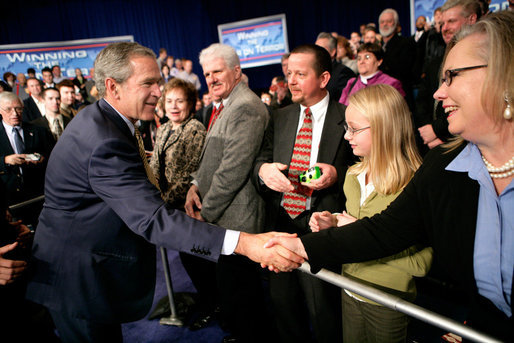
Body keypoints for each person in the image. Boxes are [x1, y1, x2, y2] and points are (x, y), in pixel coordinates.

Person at [24, 42, 303, 342]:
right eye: (148, 83)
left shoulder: (105, 120)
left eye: (158, 82)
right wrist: (245, 243)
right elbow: (153, 220)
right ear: (112, 87)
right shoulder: (104, 139)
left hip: (87, 274)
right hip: (78, 280)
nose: (158, 92)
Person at [265, 11, 514, 342]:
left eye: (452, 76)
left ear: (504, 75)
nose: (439, 93)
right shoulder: (443, 165)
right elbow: (383, 231)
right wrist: (299, 246)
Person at [310, 84, 433, 343]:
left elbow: (421, 264)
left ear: (384, 128)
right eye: (346, 128)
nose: (346, 136)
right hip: (349, 286)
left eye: (354, 129)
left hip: (387, 298)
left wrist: (358, 232)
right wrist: (332, 221)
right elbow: (351, 226)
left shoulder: (415, 183)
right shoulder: (353, 176)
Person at [253, 44, 355, 343]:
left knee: (323, 309)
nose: (291, 81)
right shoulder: (279, 117)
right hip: (280, 221)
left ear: (324, 79)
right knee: (284, 306)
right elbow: (259, 160)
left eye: (300, 74)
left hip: (321, 223)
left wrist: (337, 174)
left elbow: (365, 166)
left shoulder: (347, 116)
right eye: (288, 74)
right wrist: (263, 171)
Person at [184, 43, 274, 343]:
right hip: (221, 217)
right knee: (233, 294)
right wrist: (195, 185)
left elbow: (233, 170)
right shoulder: (223, 105)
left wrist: (204, 213)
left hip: (238, 219)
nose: (211, 78)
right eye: (207, 73)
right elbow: (212, 160)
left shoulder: (246, 106)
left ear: (236, 71)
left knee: (243, 296)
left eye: (217, 71)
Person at [0, 92, 52, 224]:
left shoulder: (39, 131)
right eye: (9, 109)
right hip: (9, 199)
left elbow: (53, 156)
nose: (14, 113)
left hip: (39, 196)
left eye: (18, 108)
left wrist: (42, 158)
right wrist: (5, 160)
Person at [339, 43, 405, 106]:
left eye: (367, 57)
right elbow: (341, 109)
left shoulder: (391, 84)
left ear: (379, 61)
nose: (362, 61)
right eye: (359, 58)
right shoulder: (351, 83)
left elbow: (397, 112)